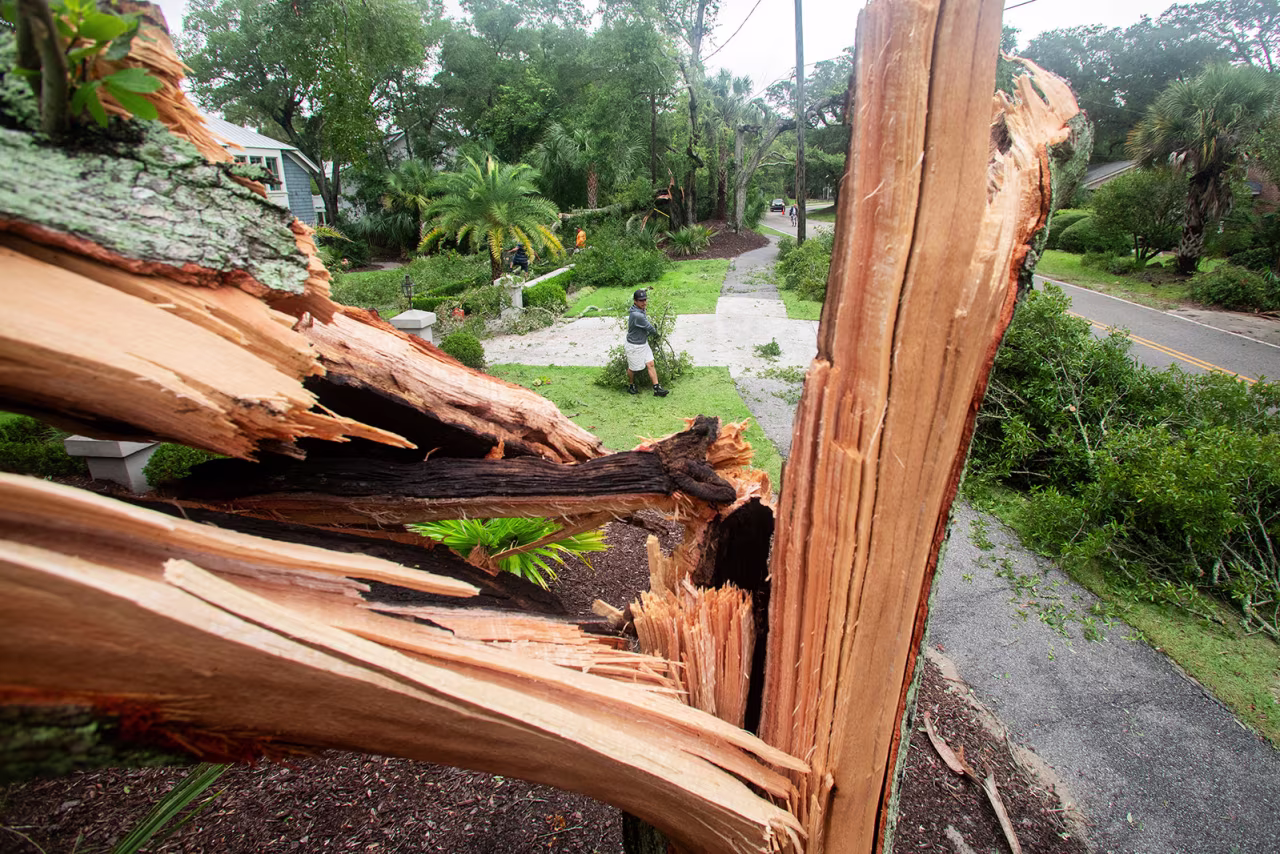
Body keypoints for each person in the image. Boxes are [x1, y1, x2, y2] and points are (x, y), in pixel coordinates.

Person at [625, 289, 669, 397]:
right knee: (633, 368)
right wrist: (656, 334)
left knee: (650, 363)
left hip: (643, 343)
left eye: (645, 300)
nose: (644, 302)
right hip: (634, 345)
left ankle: (657, 388)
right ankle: (631, 385)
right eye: (641, 301)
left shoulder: (640, 309)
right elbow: (649, 328)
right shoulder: (637, 315)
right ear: (635, 301)